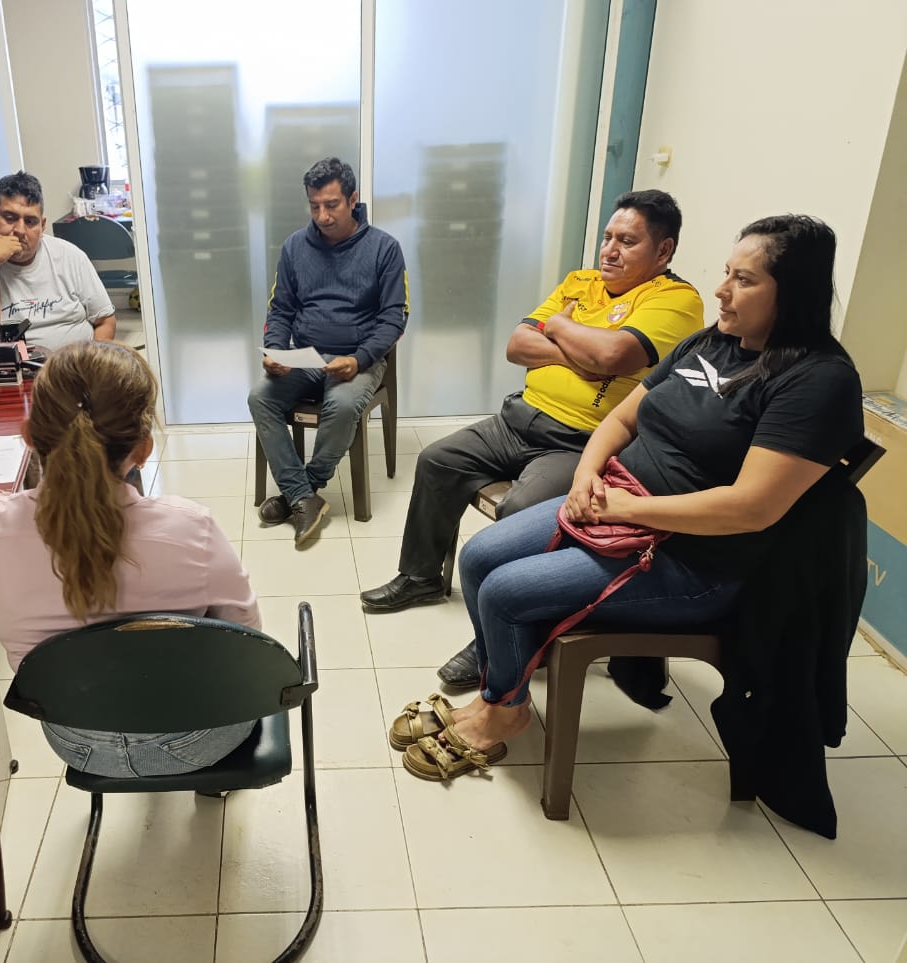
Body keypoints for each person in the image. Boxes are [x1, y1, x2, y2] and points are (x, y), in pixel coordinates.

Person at [390, 214, 863, 783]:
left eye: (744, 280)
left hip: (693, 557)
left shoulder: (817, 381)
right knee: (478, 557)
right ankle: (502, 696)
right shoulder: (710, 342)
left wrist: (626, 509)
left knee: (506, 592)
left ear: (794, 293)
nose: (721, 290)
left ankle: (501, 711)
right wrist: (587, 475)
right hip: (617, 504)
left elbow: (751, 507)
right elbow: (621, 418)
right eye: (726, 273)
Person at [0, 340, 260, 778]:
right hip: (196, 740)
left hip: (79, 743)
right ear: (144, 449)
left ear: (28, 436)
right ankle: (213, 783)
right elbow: (246, 640)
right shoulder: (191, 529)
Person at [361, 189, 704, 685]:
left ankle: (502, 634)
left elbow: (614, 357)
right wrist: (580, 349)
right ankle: (420, 578)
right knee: (438, 459)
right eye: (608, 237)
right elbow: (518, 344)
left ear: (663, 250)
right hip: (517, 419)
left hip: (579, 442)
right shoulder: (581, 282)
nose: (609, 250)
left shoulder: (676, 300)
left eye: (627, 242)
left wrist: (561, 329)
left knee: (520, 510)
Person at [249, 157, 408, 547]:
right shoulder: (295, 247)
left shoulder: (385, 249)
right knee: (260, 397)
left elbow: (394, 319)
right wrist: (277, 352)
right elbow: (280, 309)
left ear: (352, 200)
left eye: (332, 205)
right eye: (314, 205)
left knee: (343, 404)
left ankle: (302, 490)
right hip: (305, 356)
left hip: (357, 359)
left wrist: (360, 359)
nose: (322, 215)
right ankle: (304, 497)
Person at [0, 171, 117, 350]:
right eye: (10, 218)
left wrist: (92, 360)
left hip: (77, 362)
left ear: (43, 225)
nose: (20, 230)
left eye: (30, 221)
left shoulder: (70, 256)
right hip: (11, 365)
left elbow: (105, 321)